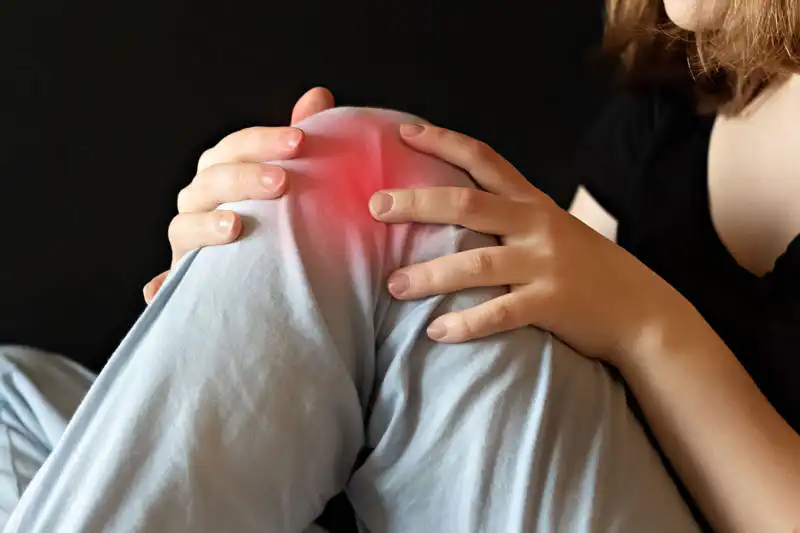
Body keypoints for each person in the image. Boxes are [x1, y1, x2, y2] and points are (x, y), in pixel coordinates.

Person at [147, 0, 800, 531]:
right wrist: (245, 277)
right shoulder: (673, 112)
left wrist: (646, 324)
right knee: (336, 176)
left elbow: (584, 321)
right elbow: (530, 318)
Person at [0, 105, 699, 532]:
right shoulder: (664, 119)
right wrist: (229, 282)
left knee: (367, 175)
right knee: (8, 392)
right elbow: (544, 318)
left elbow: (602, 322)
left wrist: (645, 322)